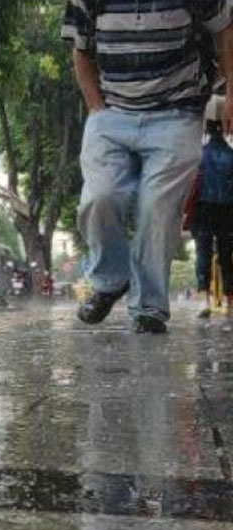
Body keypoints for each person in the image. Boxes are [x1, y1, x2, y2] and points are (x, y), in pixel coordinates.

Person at [64, 0, 233, 334]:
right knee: (100, 198)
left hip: (178, 112)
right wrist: (97, 110)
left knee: (158, 207)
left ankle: (149, 307)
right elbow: (81, 53)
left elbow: (225, 31)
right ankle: (111, 280)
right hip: (112, 113)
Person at [193, 110, 233, 319]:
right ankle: (229, 301)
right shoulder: (231, 156)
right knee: (227, 255)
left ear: (207, 130)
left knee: (203, 254)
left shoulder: (199, 154)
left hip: (203, 209)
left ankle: (204, 300)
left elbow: (192, 185)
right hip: (228, 210)